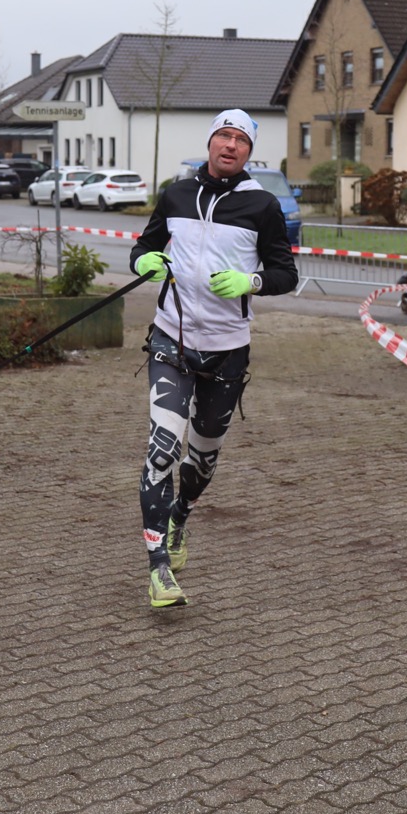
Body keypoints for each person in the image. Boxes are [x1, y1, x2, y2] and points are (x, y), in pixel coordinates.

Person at [129, 109, 297, 608]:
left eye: (240, 139)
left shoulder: (262, 205)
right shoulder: (176, 194)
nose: (230, 145)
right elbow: (144, 247)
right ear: (210, 142)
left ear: (249, 152)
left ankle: (181, 515)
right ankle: (159, 570)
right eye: (223, 135)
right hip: (172, 340)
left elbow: (286, 273)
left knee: (202, 460)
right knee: (162, 450)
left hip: (227, 350)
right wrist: (144, 260)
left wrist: (252, 281)